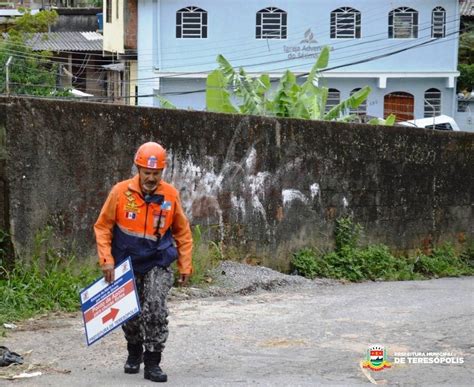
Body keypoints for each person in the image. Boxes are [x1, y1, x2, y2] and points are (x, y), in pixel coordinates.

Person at [94, 142, 193, 383]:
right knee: (130, 313)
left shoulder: (170, 195)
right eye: (146, 172)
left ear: (162, 172)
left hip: (158, 261)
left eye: (156, 173)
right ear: (138, 169)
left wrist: (185, 264)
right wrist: (106, 260)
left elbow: (182, 232)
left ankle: (152, 362)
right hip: (126, 263)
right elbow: (103, 227)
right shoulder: (119, 192)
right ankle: (134, 350)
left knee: (155, 307)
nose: (151, 177)